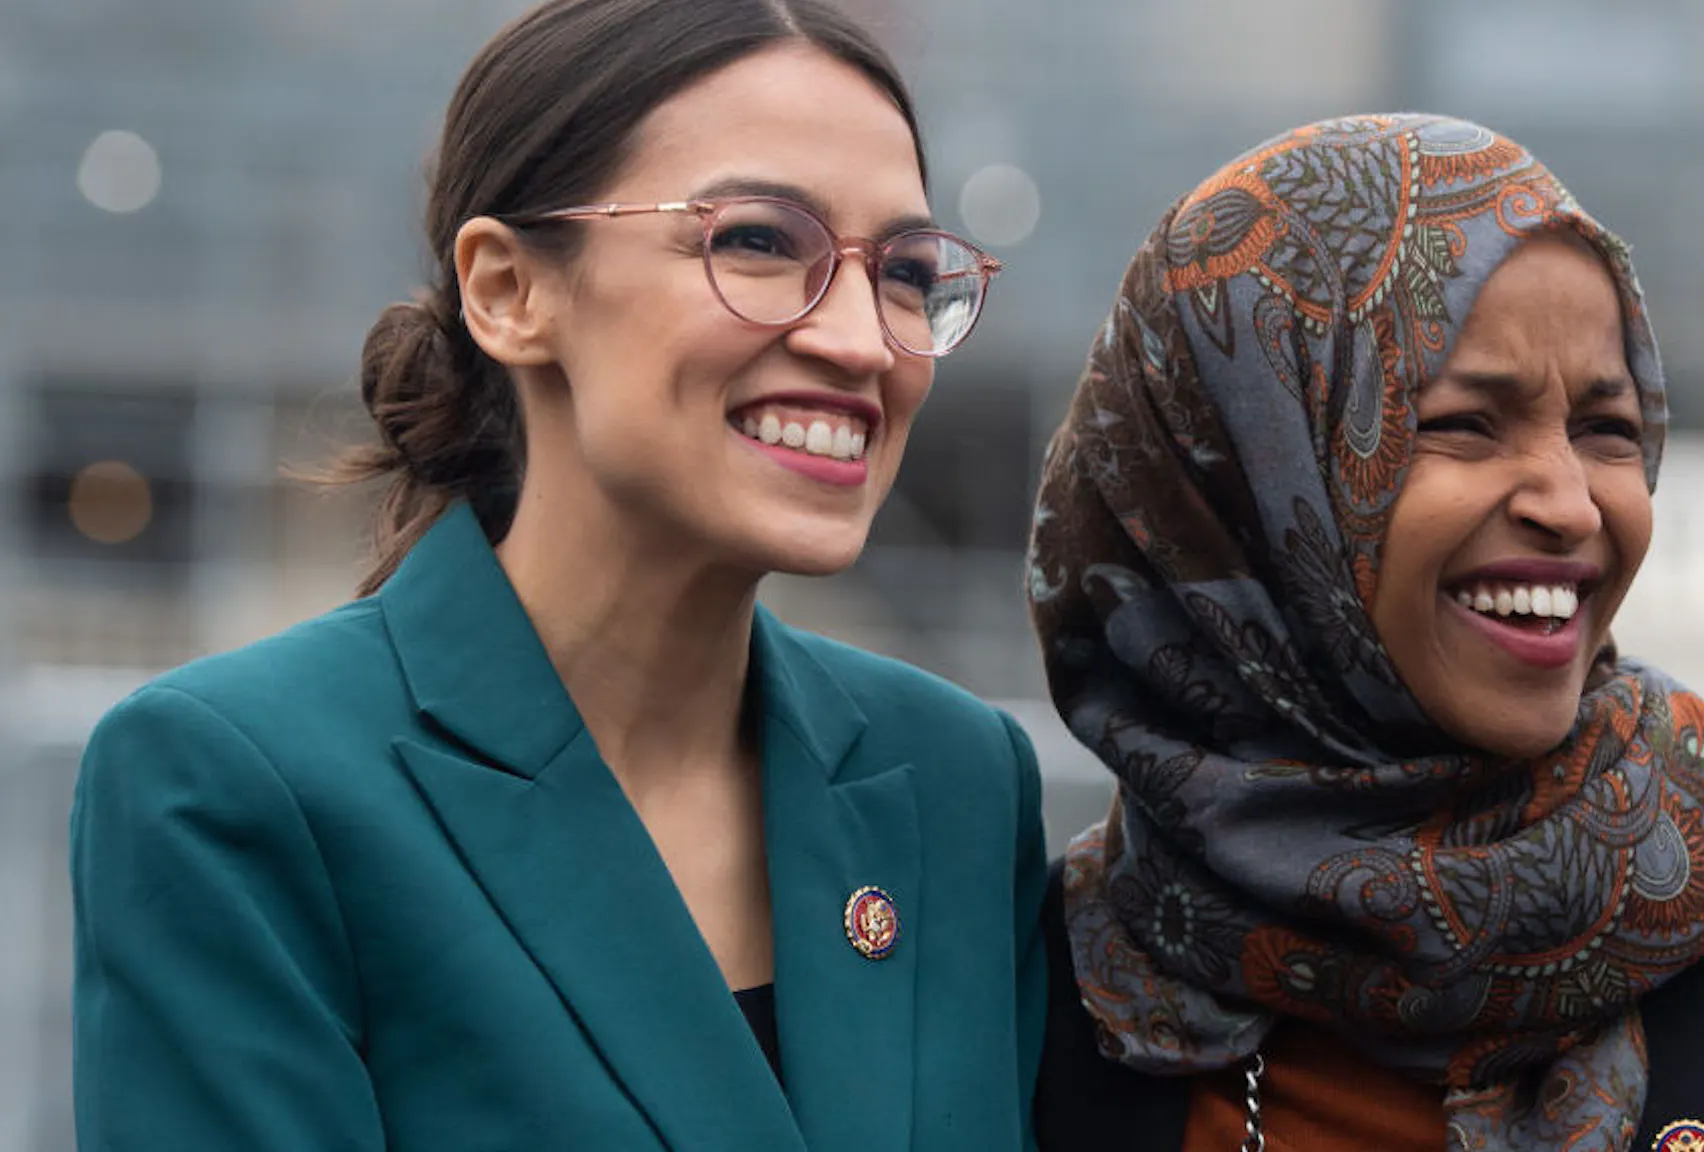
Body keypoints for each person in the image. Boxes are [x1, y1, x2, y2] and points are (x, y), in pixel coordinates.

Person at [69, 1, 1046, 1149]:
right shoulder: (236, 785)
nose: (860, 341)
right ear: (507, 291)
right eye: (758, 242)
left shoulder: (956, 781)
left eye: (902, 270)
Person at [1027, 114, 1704, 1151]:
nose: (1569, 504)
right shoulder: (1052, 971)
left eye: (1605, 430)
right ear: (1237, 482)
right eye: (1464, 424)